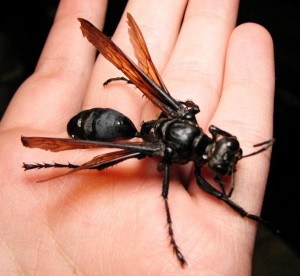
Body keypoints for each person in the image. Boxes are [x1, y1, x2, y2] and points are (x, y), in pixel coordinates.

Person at [0, 0, 274, 274]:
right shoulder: (170, 153)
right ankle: (67, 166)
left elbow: (192, 115)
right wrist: (174, 207)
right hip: (110, 129)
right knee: (113, 155)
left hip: (135, 125)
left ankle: (64, 165)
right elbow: (177, 172)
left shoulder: (185, 117)